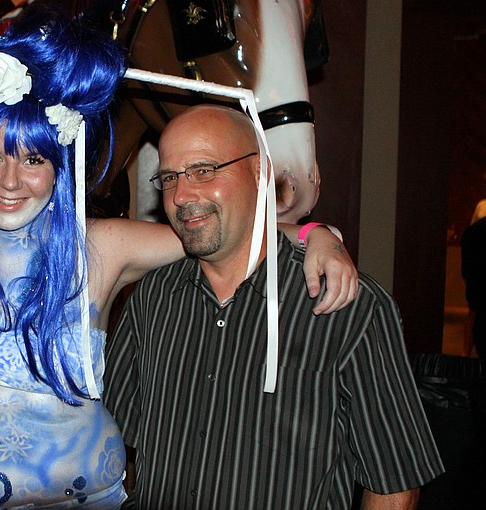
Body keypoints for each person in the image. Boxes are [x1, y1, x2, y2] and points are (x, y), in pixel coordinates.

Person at [0, 7, 358, 509]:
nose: (10, 182)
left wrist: (319, 234)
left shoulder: (102, 245)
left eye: (34, 160)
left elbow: (231, 235)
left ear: (62, 168)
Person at [103, 104, 445, 509]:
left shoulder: (348, 305)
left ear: (262, 172)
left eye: (204, 170)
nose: (182, 195)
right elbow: (115, 443)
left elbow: (393, 482)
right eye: (170, 177)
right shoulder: (153, 299)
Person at [461, 208, 486, 357]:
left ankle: (466, 354)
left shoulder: (472, 232)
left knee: (474, 315)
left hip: (477, 285)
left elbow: (465, 269)